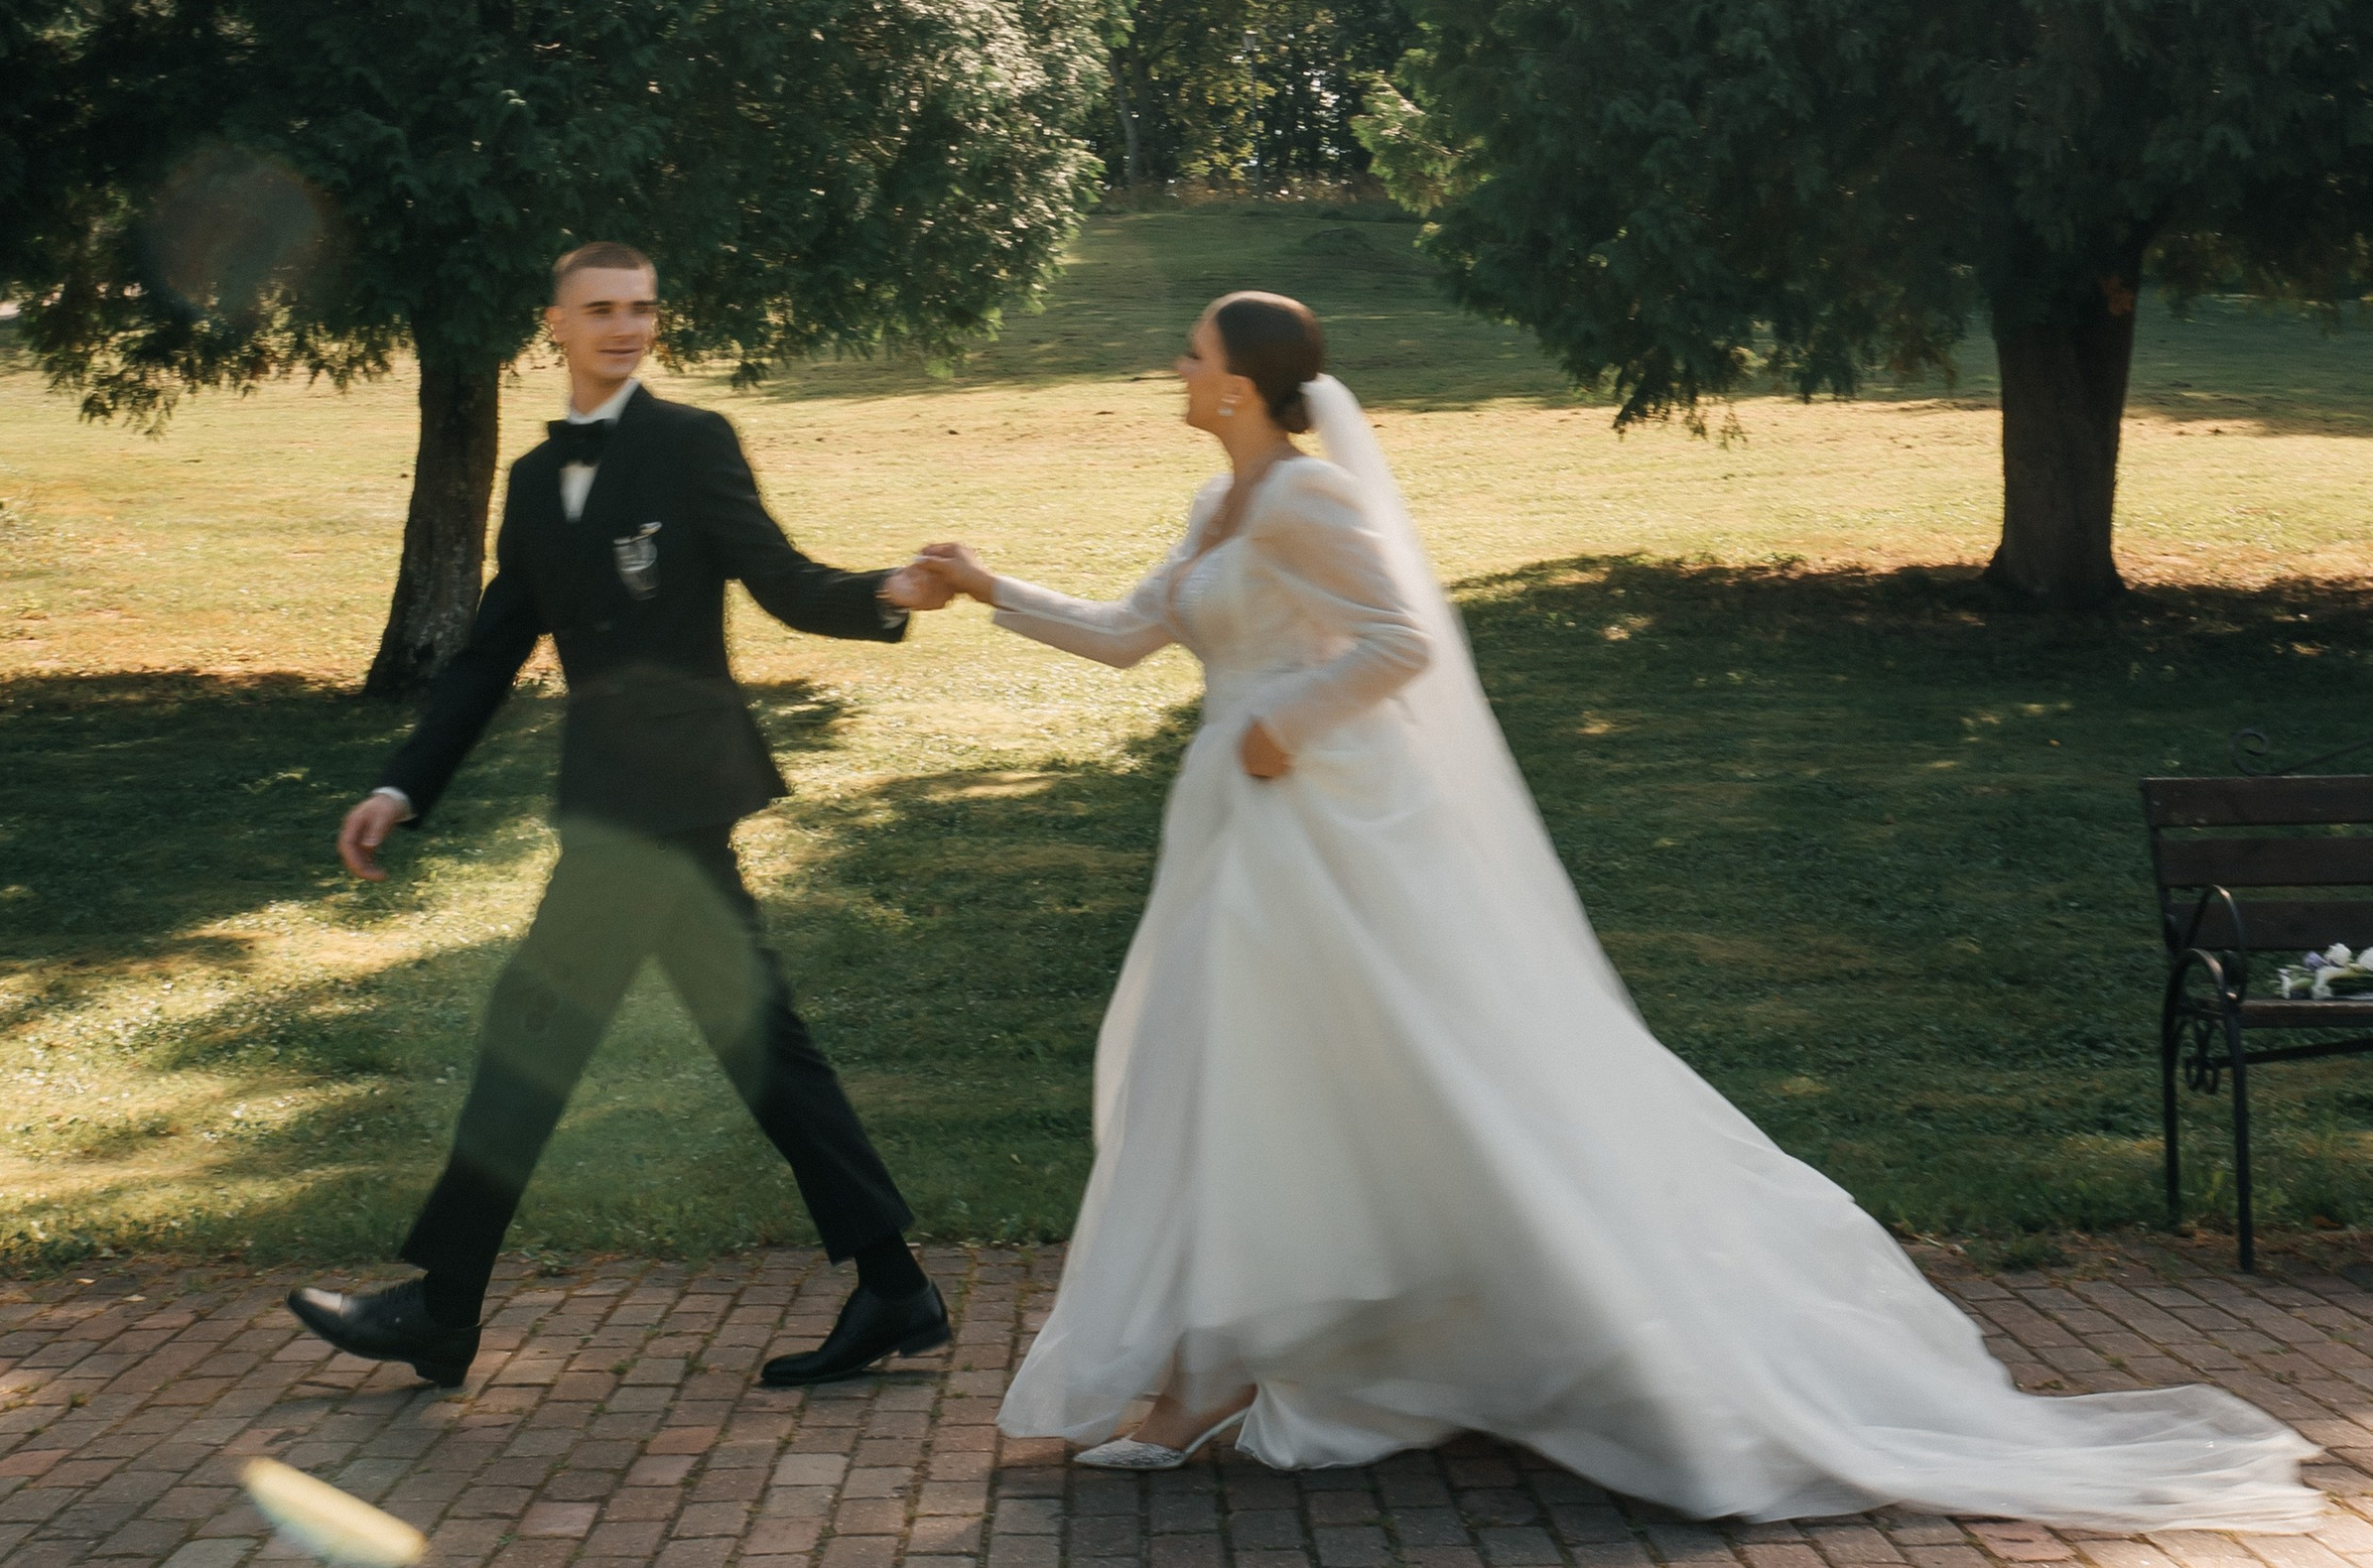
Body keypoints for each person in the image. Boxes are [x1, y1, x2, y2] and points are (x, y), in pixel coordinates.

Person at [911, 291, 2320, 1530]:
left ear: (1240, 381)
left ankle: (1232, 1365)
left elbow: (1403, 638)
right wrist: (984, 587)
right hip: (1237, 838)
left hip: (1323, 840)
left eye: (1195, 349)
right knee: (1221, 1086)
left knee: (1367, 1082)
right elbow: (1122, 632)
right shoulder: (1219, 506)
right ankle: (1209, 1362)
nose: (1176, 362)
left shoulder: (1309, 497)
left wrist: (1284, 709)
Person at [288, 241, 955, 1393]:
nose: (626, 327)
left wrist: (884, 595)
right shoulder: (537, 484)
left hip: (676, 804)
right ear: (554, 323)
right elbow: (489, 653)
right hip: (613, 803)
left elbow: (780, 578)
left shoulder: (691, 444)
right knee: (752, 1050)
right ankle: (893, 1286)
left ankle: (444, 1312)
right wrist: (404, 785)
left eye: (643, 308)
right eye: (601, 309)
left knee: (534, 1045)